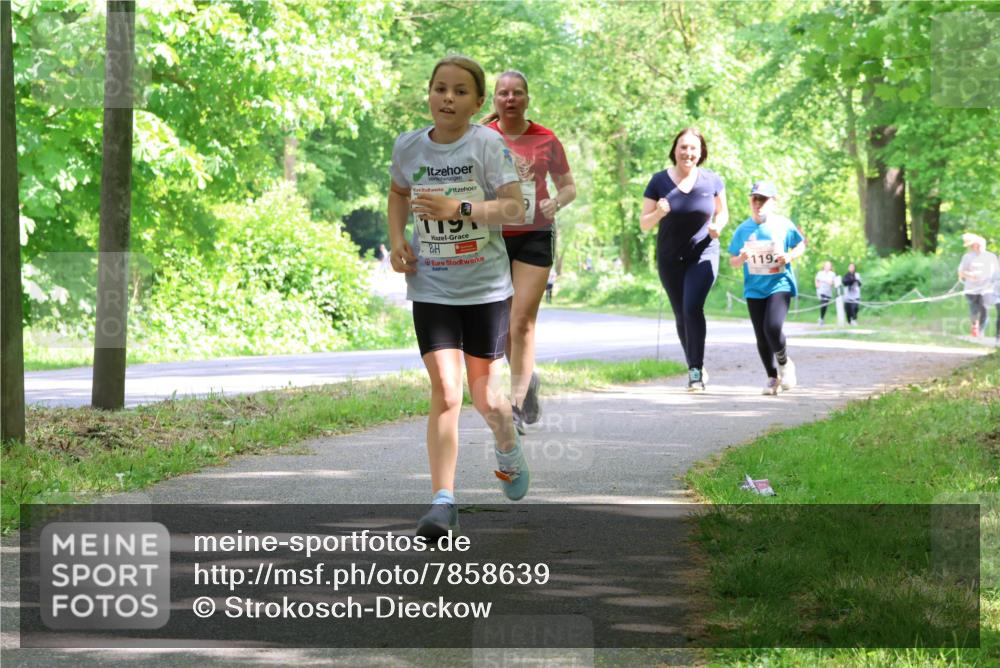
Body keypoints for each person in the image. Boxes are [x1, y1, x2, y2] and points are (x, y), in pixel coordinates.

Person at [387, 55, 528, 540]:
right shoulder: (408, 147)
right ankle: (442, 502)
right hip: (431, 287)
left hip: (485, 289)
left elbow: (514, 207)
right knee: (446, 392)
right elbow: (398, 192)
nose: (448, 98)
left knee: (486, 398)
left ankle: (506, 447)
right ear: (428, 93)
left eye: (460, 91)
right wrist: (397, 239)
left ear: (477, 102)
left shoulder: (487, 145)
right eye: (440, 88)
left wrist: (459, 208)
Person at [482, 70, 576, 433]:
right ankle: (529, 378)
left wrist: (557, 202)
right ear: (494, 100)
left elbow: (568, 186)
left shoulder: (546, 139)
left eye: (517, 93)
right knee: (503, 323)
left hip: (535, 232)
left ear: (526, 99)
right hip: (493, 235)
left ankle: (518, 403)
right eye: (503, 93)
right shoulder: (484, 137)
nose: (510, 99)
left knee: (522, 321)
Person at [640, 128, 729, 391]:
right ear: (675, 150)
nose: (688, 153)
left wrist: (718, 227)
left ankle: (695, 373)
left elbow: (723, 213)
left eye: (693, 148)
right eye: (683, 147)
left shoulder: (712, 180)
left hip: (704, 253)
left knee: (692, 308)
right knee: (681, 314)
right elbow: (644, 223)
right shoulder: (658, 182)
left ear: (701, 152)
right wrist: (658, 212)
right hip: (669, 258)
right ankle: (695, 363)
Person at [728, 181, 806, 395]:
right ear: (750, 200)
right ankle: (772, 377)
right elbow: (732, 260)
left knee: (772, 327)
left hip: (779, 283)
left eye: (764, 199)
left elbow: (800, 244)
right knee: (761, 336)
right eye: (755, 198)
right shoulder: (743, 229)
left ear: (773, 201)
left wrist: (789, 256)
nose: (759, 203)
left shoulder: (783, 225)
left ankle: (784, 363)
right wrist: (741, 258)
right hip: (754, 287)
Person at [957, 233, 999, 338]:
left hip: (987, 289)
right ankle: (974, 324)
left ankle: (980, 331)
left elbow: (996, 272)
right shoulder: (967, 257)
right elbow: (961, 272)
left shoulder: (991, 257)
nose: (979, 247)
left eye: (981, 245)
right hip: (971, 289)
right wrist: (971, 276)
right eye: (977, 245)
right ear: (973, 246)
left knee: (984, 308)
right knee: (974, 309)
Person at [814, 260, 837, 325]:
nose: (827, 267)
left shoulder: (832, 274)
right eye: (826, 265)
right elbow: (816, 279)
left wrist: (831, 283)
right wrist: (817, 285)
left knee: (825, 305)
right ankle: (821, 319)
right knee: (823, 303)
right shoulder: (820, 273)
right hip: (821, 291)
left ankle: (821, 317)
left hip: (828, 292)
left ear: (830, 267)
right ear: (824, 266)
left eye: (829, 266)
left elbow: (834, 283)